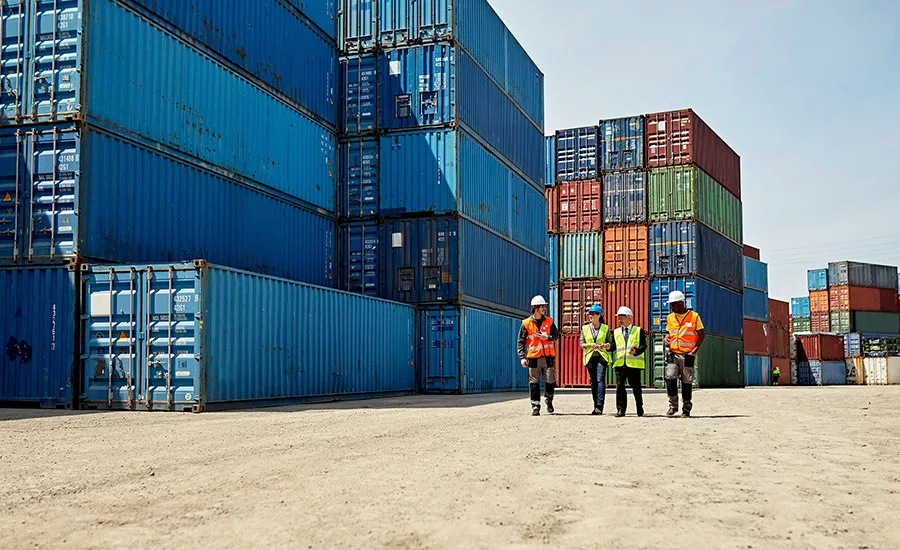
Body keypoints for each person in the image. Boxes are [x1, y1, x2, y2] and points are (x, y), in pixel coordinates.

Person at [663, 290, 706, 417]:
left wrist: (694, 351)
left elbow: (702, 335)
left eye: (673, 304)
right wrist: (666, 339)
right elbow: (669, 333)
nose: (672, 307)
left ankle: (686, 408)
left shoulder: (694, 317)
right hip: (673, 353)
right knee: (670, 378)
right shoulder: (670, 318)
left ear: (681, 303)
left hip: (688, 355)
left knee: (687, 382)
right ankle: (673, 406)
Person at [517, 295, 560, 416]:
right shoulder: (526, 323)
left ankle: (549, 399)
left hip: (547, 357)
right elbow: (521, 341)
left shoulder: (549, 321)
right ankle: (535, 406)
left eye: (545, 306)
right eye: (542, 306)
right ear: (536, 308)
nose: (544, 308)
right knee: (534, 383)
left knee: (550, 381)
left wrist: (548, 337)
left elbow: (556, 335)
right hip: (533, 358)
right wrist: (522, 357)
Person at [611, 306, 647, 417]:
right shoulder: (616, 332)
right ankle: (621, 410)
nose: (619, 320)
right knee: (620, 387)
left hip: (633, 364)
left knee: (636, 388)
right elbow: (614, 346)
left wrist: (636, 351)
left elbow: (643, 346)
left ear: (629, 318)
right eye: (618, 318)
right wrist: (608, 347)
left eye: (622, 318)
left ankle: (639, 408)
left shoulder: (638, 330)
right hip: (620, 364)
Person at [580, 304, 614, 415]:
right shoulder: (585, 328)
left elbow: (610, 343)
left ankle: (600, 405)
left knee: (600, 379)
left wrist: (606, 345)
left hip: (601, 357)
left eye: (593, 314)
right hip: (590, 357)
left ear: (599, 315)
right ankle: (596, 405)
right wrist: (590, 345)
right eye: (589, 314)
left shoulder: (605, 328)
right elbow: (581, 344)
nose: (590, 316)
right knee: (593, 382)